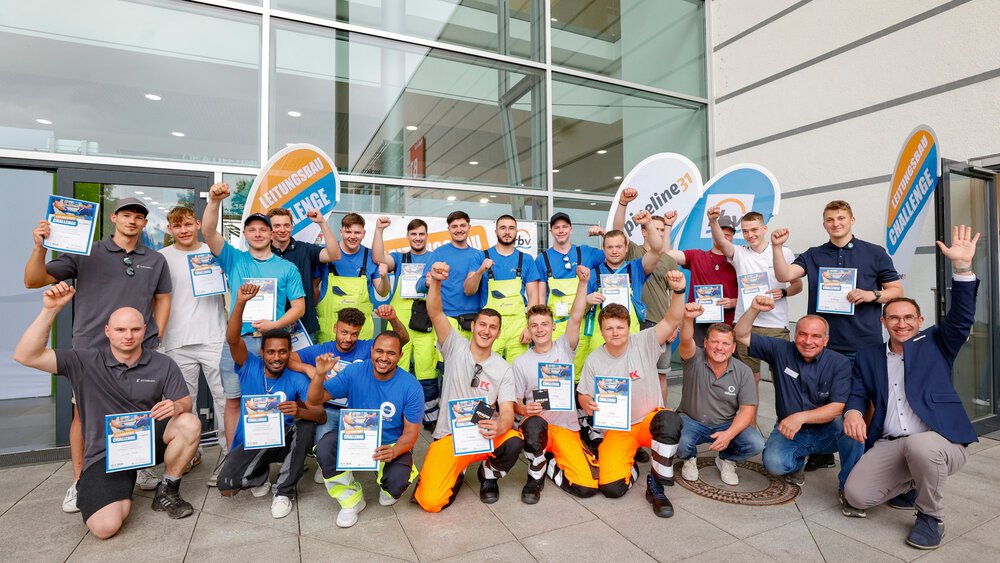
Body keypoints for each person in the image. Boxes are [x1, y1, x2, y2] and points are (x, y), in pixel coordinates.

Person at [14, 282, 200, 539]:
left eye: (135, 329)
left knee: (189, 422)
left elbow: (185, 403)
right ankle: (114, 485)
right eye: (121, 329)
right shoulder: (84, 360)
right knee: (105, 527)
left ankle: (167, 489)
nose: (128, 335)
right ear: (108, 331)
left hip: (145, 443)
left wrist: (176, 405)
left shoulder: (162, 364)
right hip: (105, 454)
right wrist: (50, 310)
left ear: (145, 330)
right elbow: (26, 355)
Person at [24, 196, 172, 513]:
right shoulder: (86, 251)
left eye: (139, 217)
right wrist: (40, 247)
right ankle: (80, 481)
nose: (132, 220)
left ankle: (136, 464)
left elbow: (162, 297)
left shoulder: (155, 259)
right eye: (126, 214)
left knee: (138, 410)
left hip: (137, 347)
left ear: (145, 223)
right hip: (91, 349)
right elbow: (34, 280)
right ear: (114, 218)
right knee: (83, 414)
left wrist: (155, 333)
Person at [843, 225, 981, 550]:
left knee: (920, 447)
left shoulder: (937, 343)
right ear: (883, 322)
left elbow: (961, 318)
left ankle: (931, 516)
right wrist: (851, 410)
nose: (901, 323)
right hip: (891, 443)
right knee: (857, 496)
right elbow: (858, 391)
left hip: (939, 442)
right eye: (893, 318)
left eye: (908, 317)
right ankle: (912, 483)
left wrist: (962, 269)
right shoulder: (870, 356)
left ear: (919, 321)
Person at [771, 199, 903, 471]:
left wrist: (872, 295)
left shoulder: (874, 253)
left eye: (841, 218)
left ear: (852, 220)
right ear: (824, 224)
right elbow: (785, 274)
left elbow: (896, 290)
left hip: (864, 344)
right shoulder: (814, 254)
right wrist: (776, 247)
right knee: (821, 400)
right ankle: (822, 452)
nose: (836, 223)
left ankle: (861, 455)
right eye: (831, 220)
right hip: (824, 346)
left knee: (862, 401)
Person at [201, 182, 306, 456]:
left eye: (263, 229)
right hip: (239, 342)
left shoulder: (287, 268)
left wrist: (274, 325)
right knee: (234, 400)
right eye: (252, 229)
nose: (258, 233)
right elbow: (208, 231)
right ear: (245, 234)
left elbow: (299, 307)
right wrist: (213, 201)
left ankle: (265, 455)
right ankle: (233, 456)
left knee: (270, 399)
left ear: (272, 234)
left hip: (273, 343)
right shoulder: (233, 259)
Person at [734, 295, 863, 515]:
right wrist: (754, 309)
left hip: (827, 431)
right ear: (795, 335)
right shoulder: (781, 350)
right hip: (790, 432)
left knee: (853, 429)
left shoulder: (838, 363)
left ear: (825, 340)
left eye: (816, 336)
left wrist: (800, 417)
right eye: (802, 334)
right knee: (773, 464)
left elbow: (838, 407)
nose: (808, 341)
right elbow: (741, 334)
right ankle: (798, 462)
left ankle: (849, 488)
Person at [413, 262, 523, 513]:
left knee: (514, 439)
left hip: (483, 435)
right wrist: (437, 282)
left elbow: (507, 411)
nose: (486, 331)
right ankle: (455, 471)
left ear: (498, 334)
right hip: (450, 437)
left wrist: (501, 425)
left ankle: (488, 473)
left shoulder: (503, 368)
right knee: (431, 502)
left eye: (493, 327)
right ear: (473, 326)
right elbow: (435, 312)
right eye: (482, 325)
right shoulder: (455, 346)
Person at [576, 270, 686, 518]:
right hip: (617, 429)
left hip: (648, 422)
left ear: (628, 327)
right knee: (611, 488)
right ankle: (630, 464)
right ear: (601, 331)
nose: (615, 332)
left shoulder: (644, 341)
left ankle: (657, 485)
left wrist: (678, 291)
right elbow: (583, 394)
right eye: (609, 328)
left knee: (669, 420)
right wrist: (587, 402)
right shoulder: (594, 359)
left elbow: (671, 320)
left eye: (620, 327)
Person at [215, 283, 326, 519]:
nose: (277, 358)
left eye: (283, 352)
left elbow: (320, 415)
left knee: (305, 425)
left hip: (285, 439)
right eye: (271, 352)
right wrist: (241, 303)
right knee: (226, 484)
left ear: (289, 353)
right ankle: (259, 474)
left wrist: (299, 411)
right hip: (253, 441)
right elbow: (233, 338)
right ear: (262, 352)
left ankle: (284, 491)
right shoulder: (249, 367)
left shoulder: (295, 379)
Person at [141, 206, 228, 489]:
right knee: (183, 404)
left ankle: (228, 456)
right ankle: (191, 453)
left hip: (214, 336)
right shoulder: (160, 258)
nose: (183, 230)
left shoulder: (214, 251)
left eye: (188, 224)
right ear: (169, 229)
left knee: (225, 400)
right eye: (177, 226)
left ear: (198, 224)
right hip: (176, 341)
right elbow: (154, 299)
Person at [306, 332, 424, 527]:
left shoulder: (411, 386)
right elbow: (313, 400)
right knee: (325, 446)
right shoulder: (355, 371)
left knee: (395, 485)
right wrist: (319, 375)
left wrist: (394, 450)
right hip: (355, 436)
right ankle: (351, 499)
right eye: (379, 351)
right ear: (371, 351)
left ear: (400, 356)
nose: (384, 358)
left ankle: (388, 484)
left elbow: (411, 433)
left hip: (390, 443)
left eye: (391, 353)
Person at [290, 304, 410, 481]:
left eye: (354, 334)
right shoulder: (323, 349)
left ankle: (377, 463)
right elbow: (289, 358)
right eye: (344, 332)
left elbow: (401, 340)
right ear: (335, 328)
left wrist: (392, 319)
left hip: (361, 410)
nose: (348, 338)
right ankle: (330, 464)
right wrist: (308, 368)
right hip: (330, 410)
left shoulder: (367, 348)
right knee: (322, 447)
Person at [513, 265, 593, 503]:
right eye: (534, 325)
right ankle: (534, 477)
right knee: (535, 424)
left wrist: (582, 283)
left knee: (585, 487)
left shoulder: (564, 347)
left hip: (566, 428)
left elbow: (577, 315)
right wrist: (525, 410)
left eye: (544, 324)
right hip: (537, 429)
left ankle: (548, 466)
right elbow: (516, 404)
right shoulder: (520, 362)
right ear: (528, 329)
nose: (540, 329)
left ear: (553, 326)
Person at [708, 207, 803, 383]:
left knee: (782, 377)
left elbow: (797, 286)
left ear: (764, 229)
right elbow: (721, 241)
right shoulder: (740, 253)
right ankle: (750, 411)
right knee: (749, 378)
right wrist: (713, 221)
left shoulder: (783, 251)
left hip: (776, 325)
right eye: (745, 231)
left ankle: (786, 412)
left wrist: (784, 292)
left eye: (754, 229)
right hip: (746, 324)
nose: (750, 235)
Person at [676, 305, 763, 486]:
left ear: (733, 348)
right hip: (692, 420)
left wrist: (729, 434)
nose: (719, 347)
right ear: (706, 343)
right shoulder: (693, 358)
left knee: (756, 443)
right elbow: (685, 340)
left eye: (725, 344)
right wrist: (688, 318)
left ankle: (727, 460)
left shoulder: (743, 371)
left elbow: (748, 411)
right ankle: (689, 459)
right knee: (678, 439)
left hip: (725, 423)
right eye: (715, 342)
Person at [604, 187, 680, 388]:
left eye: (663, 230)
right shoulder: (633, 253)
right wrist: (623, 203)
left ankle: (660, 415)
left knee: (661, 375)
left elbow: (675, 295)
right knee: (635, 373)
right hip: (637, 321)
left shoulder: (669, 259)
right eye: (655, 229)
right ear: (644, 230)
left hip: (661, 321)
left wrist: (674, 325)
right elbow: (618, 231)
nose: (659, 233)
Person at [373, 217, 440, 430]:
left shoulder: (435, 258)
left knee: (427, 371)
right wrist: (379, 230)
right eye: (414, 234)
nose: (418, 238)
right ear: (408, 237)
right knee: (395, 367)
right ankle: (394, 415)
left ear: (427, 236)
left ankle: (430, 418)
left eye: (421, 234)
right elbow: (378, 257)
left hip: (425, 322)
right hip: (399, 321)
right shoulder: (400, 259)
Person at [583, 210, 664, 357]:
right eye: (610, 247)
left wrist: (648, 223)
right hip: (599, 342)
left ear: (626, 248)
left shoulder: (636, 268)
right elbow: (581, 311)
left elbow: (657, 249)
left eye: (618, 247)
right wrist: (587, 302)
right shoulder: (593, 274)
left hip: (631, 339)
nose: (614, 251)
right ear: (603, 249)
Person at [465, 214, 542, 362]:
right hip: (489, 326)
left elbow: (534, 297)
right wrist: (481, 270)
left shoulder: (526, 260)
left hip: (518, 327)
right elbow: (468, 290)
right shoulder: (481, 257)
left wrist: (529, 326)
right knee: (485, 369)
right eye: (503, 228)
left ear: (516, 232)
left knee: (519, 373)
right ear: (496, 232)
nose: (507, 232)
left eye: (511, 228)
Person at [535, 212, 605, 371]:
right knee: (555, 373)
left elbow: (616, 252)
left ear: (571, 230)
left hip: (583, 324)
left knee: (581, 374)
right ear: (551, 231)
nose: (561, 230)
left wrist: (603, 232)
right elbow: (540, 295)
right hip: (555, 327)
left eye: (564, 227)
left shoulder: (586, 253)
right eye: (557, 227)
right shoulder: (542, 259)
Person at [663, 208, 739, 344]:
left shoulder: (739, 260)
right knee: (695, 361)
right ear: (714, 233)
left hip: (728, 326)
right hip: (698, 323)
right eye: (721, 233)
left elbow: (751, 295)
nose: (724, 237)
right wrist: (668, 226)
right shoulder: (697, 256)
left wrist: (734, 302)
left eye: (728, 235)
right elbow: (666, 254)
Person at [267, 207, 342, 342]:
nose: (282, 230)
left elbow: (335, 255)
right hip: (270, 327)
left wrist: (322, 223)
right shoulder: (262, 253)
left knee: (305, 363)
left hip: (304, 327)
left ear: (292, 227)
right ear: (269, 228)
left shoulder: (305, 249)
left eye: (286, 225)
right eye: (277, 226)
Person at [316, 213, 389, 342]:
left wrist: (384, 277)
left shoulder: (370, 256)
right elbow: (313, 287)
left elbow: (383, 292)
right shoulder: (326, 253)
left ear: (364, 233)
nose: (352, 236)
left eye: (357, 232)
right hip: (329, 332)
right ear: (341, 232)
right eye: (348, 232)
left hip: (361, 333)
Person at [416, 210, 485, 339]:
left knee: (472, 359)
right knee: (446, 360)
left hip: (473, 320)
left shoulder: (479, 255)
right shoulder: (438, 254)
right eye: (454, 226)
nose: (459, 230)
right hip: (446, 319)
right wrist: (427, 282)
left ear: (469, 228)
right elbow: (419, 285)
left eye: (462, 226)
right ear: (449, 229)